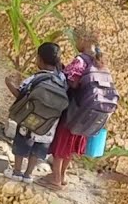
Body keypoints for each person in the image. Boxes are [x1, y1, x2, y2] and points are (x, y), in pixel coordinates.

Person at [38, 28, 105, 191]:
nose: (75, 43)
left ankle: (55, 179)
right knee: (72, 145)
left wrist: (63, 72)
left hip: (73, 109)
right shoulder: (99, 62)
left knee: (62, 143)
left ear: (84, 39)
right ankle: (62, 176)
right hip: (87, 113)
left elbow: (73, 83)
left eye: (76, 39)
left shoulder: (81, 60)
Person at [5, 42, 66, 183]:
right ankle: (28, 175)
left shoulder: (36, 78)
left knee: (22, 142)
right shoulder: (62, 80)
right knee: (38, 147)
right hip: (49, 124)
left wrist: (9, 83)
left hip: (30, 119)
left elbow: (20, 95)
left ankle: (17, 172)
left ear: (39, 59)